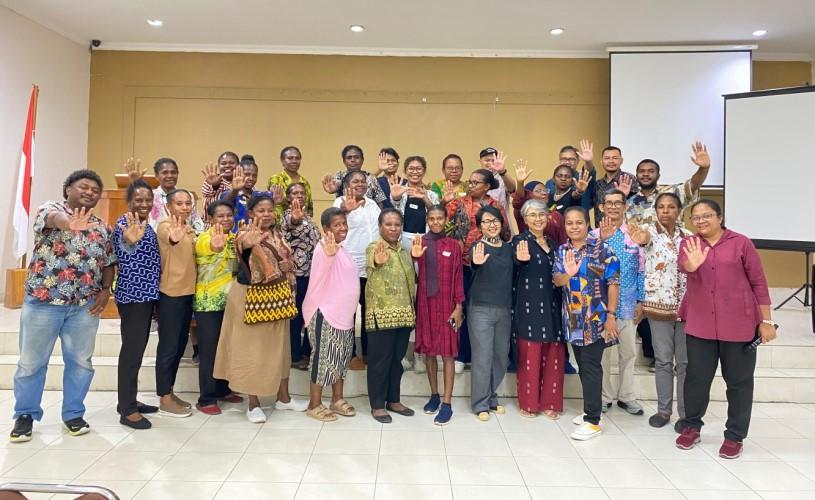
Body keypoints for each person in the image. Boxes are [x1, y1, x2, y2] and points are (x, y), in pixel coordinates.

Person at [10, 170, 116, 443]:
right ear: (68, 189)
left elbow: (108, 262)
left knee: (80, 363)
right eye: (84, 187)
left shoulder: (102, 227)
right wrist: (70, 224)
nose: (90, 192)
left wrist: (105, 289)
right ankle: (25, 415)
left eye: (95, 190)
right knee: (31, 363)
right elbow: (54, 219)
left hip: (84, 306)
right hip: (44, 302)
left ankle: (73, 414)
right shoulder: (50, 209)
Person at [675, 199, 776, 459]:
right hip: (700, 324)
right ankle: (691, 426)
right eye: (696, 217)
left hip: (739, 324)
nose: (701, 221)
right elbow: (684, 266)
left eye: (707, 215)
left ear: (720, 218)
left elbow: (759, 282)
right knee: (696, 379)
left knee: (739, 383)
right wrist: (693, 264)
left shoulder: (741, 243)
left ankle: (734, 436)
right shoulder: (689, 243)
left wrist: (766, 321)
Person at [214, 194, 307, 423]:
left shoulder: (278, 234)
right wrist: (251, 240)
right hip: (251, 299)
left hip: (279, 297)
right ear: (251, 213)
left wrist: (287, 265)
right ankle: (253, 403)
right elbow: (244, 244)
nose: (266, 214)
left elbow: (285, 259)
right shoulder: (245, 233)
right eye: (261, 210)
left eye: (269, 210)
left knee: (281, 349)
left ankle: (283, 398)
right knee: (252, 350)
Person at [554, 206, 620, 441]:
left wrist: (611, 316)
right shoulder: (562, 250)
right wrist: (569, 274)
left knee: (591, 366)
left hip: (597, 319)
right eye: (569, 223)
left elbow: (613, 283)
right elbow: (557, 280)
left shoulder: (603, 249)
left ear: (587, 224)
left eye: (579, 222)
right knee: (583, 365)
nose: (574, 227)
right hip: (573, 319)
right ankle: (591, 411)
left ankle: (593, 421)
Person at [444, 169, 510, 374]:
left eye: (475, 182)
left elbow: (506, 234)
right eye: (470, 182)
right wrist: (445, 203)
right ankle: (462, 355)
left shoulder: (495, 206)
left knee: (480, 312)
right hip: (461, 264)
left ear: (487, 186)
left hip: (489, 267)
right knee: (462, 308)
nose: (470, 185)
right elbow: (441, 224)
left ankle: (483, 356)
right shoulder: (457, 203)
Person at [635, 192, 692, 430]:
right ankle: (663, 410)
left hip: (687, 308)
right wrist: (640, 236)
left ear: (679, 210)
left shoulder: (689, 236)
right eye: (661, 207)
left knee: (685, 363)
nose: (666, 211)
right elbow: (642, 239)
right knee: (663, 361)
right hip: (658, 308)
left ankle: (686, 414)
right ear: (655, 210)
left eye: (671, 207)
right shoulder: (649, 232)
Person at [302, 208, 361, 422]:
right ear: (326, 228)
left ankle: (337, 399)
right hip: (325, 314)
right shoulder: (324, 249)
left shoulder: (341, 249)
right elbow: (322, 268)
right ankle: (314, 404)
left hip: (344, 318)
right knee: (322, 359)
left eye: (344, 223)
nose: (342, 228)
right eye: (337, 225)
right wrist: (329, 254)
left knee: (340, 359)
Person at [592, 189, 646, 416]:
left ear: (625, 207)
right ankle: (604, 397)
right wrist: (601, 242)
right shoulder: (593, 235)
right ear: (601, 207)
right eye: (609, 203)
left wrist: (641, 301)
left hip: (628, 305)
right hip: (601, 306)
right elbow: (588, 266)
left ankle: (626, 396)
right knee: (603, 356)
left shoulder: (634, 234)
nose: (613, 207)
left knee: (628, 353)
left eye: (618, 203)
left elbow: (641, 270)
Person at [112, 179, 161, 430]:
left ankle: (127, 401)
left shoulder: (146, 224)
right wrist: (129, 241)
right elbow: (124, 249)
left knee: (137, 350)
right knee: (131, 352)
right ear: (129, 201)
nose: (144, 203)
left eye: (148, 199)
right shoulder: (125, 224)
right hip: (134, 296)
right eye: (138, 200)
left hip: (147, 295)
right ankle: (128, 410)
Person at [411, 206, 464, 426]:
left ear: (445, 219)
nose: (435, 222)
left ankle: (447, 403)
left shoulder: (453, 245)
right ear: (427, 220)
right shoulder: (419, 243)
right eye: (431, 218)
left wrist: (459, 307)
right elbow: (414, 272)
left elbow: (458, 277)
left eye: (439, 218)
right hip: (426, 305)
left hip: (448, 305)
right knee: (430, 352)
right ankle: (434, 395)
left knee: (448, 354)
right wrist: (415, 258)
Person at [512, 199, 564, 419]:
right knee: (530, 354)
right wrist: (520, 260)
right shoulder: (519, 241)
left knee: (553, 352)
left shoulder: (553, 244)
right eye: (532, 215)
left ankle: (550, 402)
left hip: (553, 303)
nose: (538, 219)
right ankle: (529, 403)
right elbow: (513, 266)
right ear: (525, 219)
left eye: (541, 214)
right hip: (529, 304)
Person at [365, 209, 417, 423]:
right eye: (388, 224)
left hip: (404, 315)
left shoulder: (404, 251)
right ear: (380, 227)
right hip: (382, 316)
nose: (393, 228)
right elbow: (373, 261)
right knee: (380, 362)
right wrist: (377, 260)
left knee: (397, 361)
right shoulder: (374, 247)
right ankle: (377, 405)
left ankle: (393, 400)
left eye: (397, 225)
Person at [193, 201, 243, 415]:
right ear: (211, 219)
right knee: (209, 352)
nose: (225, 219)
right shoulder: (204, 238)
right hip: (208, 303)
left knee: (227, 349)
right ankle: (206, 398)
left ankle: (223, 389)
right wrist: (215, 245)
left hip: (230, 303)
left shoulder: (234, 239)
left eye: (229, 215)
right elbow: (210, 247)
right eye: (220, 216)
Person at [467, 206, 514, 421]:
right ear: (480, 226)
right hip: (481, 309)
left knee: (500, 357)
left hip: (504, 308)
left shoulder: (509, 248)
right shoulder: (477, 247)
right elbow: (474, 264)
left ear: (501, 223)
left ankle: (491, 396)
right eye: (486, 221)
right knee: (482, 357)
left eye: (495, 220)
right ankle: (480, 403)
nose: (492, 225)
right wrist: (475, 263)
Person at [154, 189, 197, 417]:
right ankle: (164, 397)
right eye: (179, 203)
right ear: (168, 206)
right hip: (171, 294)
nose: (184, 207)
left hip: (188, 294)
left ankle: (169, 391)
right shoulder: (165, 225)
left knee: (180, 346)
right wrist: (175, 236)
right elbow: (170, 237)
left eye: (187, 203)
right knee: (168, 347)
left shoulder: (189, 227)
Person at [332, 171, 381, 367]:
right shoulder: (340, 203)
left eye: (363, 181)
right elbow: (333, 223)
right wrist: (345, 210)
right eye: (355, 181)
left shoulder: (372, 204)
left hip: (371, 266)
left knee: (370, 312)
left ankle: (369, 353)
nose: (360, 184)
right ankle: (350, 354)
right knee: (348, 313)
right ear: (346, 185)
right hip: (348, 267)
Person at [281, 183, 320, 369]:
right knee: (295, 317)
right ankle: (294, 356)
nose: (299, 196)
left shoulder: (309, 217)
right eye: (295, 193)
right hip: (297, 275)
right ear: (288, 197)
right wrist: (295, 219)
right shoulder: (288, 216)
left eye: (302, 193)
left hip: (312, 274)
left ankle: (306, 352)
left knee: (309, 315)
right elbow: (291, 224)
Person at [626, 142, 711, 226]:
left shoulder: (672, 192)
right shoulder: (628, 200)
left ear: (658, 176)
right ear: (636, 176)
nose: (646, 174)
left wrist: (703, 168)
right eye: (641, 171)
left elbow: (693, 185)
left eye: (651, 171)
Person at [511, 160, 572, 243]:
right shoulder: (524, 211)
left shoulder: (556, 215)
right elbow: (519, 199)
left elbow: (563, 241)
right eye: (538, 191)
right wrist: (520, 183)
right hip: (528, 249)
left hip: (552, 250)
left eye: (545, 190)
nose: (544, 193)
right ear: (529, 195)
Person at [140, 157, 205, 232]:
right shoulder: (149, 196)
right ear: (157, 175)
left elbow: (196, 221)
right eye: (165, 172)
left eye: (173, 172)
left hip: (186, 236)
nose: (170, 176)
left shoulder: (188, 195)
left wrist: (193, 232)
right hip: (158, 237)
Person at [322, 145, 387, 206]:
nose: (353, 160)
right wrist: (333, 189)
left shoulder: (371, 178)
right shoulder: (340, 175)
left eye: (356, 157)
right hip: (345, 212)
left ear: (362, 160)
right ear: (344, 161)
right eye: (349, 158)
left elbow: (380, 201)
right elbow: (336, 184)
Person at [222, 155, 277, 227]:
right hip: (236, 233)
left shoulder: (260, 196)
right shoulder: (229, 194)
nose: (251, 178)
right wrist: (235, 190)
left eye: (254, 176)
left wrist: (277, 203)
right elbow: (224, 204)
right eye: (247, 174)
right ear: (238, 173)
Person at [545, 141, 597, 211]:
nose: (567, 162)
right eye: (564, 159)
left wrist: (588, 162)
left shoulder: (583, 179)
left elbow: (588, 172)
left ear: (578, 161)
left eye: (572, 159)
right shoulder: (550, 183)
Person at [593, 147, 638, 224]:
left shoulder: (628, 179)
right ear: (602, 162)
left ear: (621, 161)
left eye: (615, 158)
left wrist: (622, 196)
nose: (611, 161)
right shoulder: (598, 183)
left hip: (624, 228)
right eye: (607, 158)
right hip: (601, 228)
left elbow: (637, 205)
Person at [267, 146, 314, 219]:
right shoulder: (276, 179)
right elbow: (275, 201)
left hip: (302, 222)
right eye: (290, 158)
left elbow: (309, 207)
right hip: (280, 222)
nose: (294, 161)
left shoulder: (305, 182)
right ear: (282, 160)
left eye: (297, 158)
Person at [477, 147, 517, 214]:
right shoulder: (474, 179)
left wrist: (502, 172)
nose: (490, 163)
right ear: (480, 162)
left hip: (501, 219)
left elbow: (513, 189)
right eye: (487, 160)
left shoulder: (503, 177)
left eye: (493, 160)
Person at [201, 151, 239, 216]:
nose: (227, 166)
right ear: (219, 166)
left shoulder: (243, 182)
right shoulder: (211, 180)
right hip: (212, 222)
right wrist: (215, 185)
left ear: (238, 165)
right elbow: (210, 189)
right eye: (223, 163)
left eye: (232, 163)